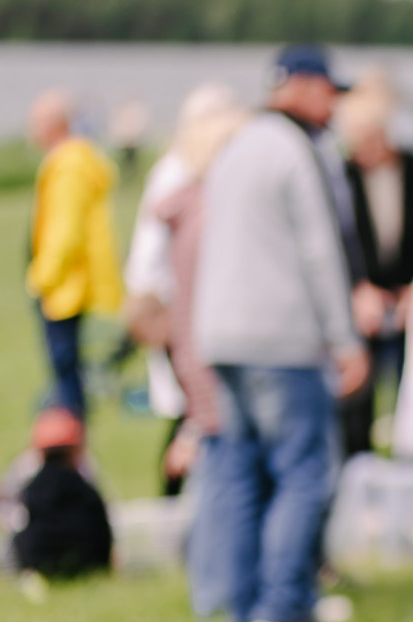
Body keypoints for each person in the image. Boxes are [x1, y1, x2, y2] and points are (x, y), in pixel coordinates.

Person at [193, 45, 368, 622]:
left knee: (242, 472)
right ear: (301, 86)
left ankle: (244, 604)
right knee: (304, 471)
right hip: (281, 337)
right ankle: (285, 606)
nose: (334, 106)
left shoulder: (236, 144)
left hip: (223, 334)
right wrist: (344, 339)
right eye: (329, 91)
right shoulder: (295, 149)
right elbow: (320, 252)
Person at [123, 84, 244, 495]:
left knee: (196, 412)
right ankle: (174, 497)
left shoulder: (196, 169)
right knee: (190, 410)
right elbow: (149, 256)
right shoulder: (180, 173)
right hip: (180, 313)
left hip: (192, 313)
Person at [337, 85, 413, 455]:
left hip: (411, 293)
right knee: (357, 399)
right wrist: (358, 287)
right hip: (363, 298)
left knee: (412, 390)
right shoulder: (342, 178)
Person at [26, 90, 121, 419]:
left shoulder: (68, 165)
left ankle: (71, 439)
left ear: (55, 125)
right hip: (67, 281)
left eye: (37, 122)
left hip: (64, 284)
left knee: (65, 369)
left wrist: (42, 277)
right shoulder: (74, 159)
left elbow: (66, 232)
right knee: (68, 367)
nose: (31, 130)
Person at [12, 407, 113, 581]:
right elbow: (104, 530)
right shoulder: (86, 488)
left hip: (40, 562)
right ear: (76, 449)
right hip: (85, 562)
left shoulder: (32, 488)